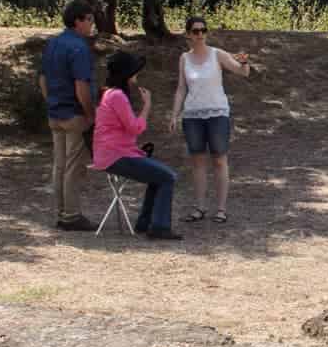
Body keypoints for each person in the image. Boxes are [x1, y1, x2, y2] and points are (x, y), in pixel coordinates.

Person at [94, 51, 183, 240]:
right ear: (126, 74)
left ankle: (146, 223)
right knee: (168, 177)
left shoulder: (108, 93)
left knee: (158, 177)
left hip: (111, 153)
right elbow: (134, 128)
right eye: (134, 72)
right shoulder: (117, 96)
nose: (137, 75)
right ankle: (159, 227)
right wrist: (147, 106)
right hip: (116, 156)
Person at [170, 16, 250, 224]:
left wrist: (244, 61)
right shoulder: (184, 59)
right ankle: (199, 207)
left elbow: (242, 72)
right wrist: (174, 114)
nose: (200, 35)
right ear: (188, 34)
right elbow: (181, 88)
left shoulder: (217, 54)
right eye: (195, 31)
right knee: (197, 161)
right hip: (193, 115)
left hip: (217, 114)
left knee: (219, 159)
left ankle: (221, 209)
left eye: (203, 30)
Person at [39, 0, 96, 231]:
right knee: (73, 166)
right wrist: (90, 113)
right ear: (78, 21)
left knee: (59, 165)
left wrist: (50, 101)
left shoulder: (53, 44)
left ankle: (62, 212)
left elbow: (42, 79)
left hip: (55, 113)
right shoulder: (79, 47)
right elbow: (81, 85)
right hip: (73, 114)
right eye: (90, 19)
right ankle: (71, 215)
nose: (92, 24)